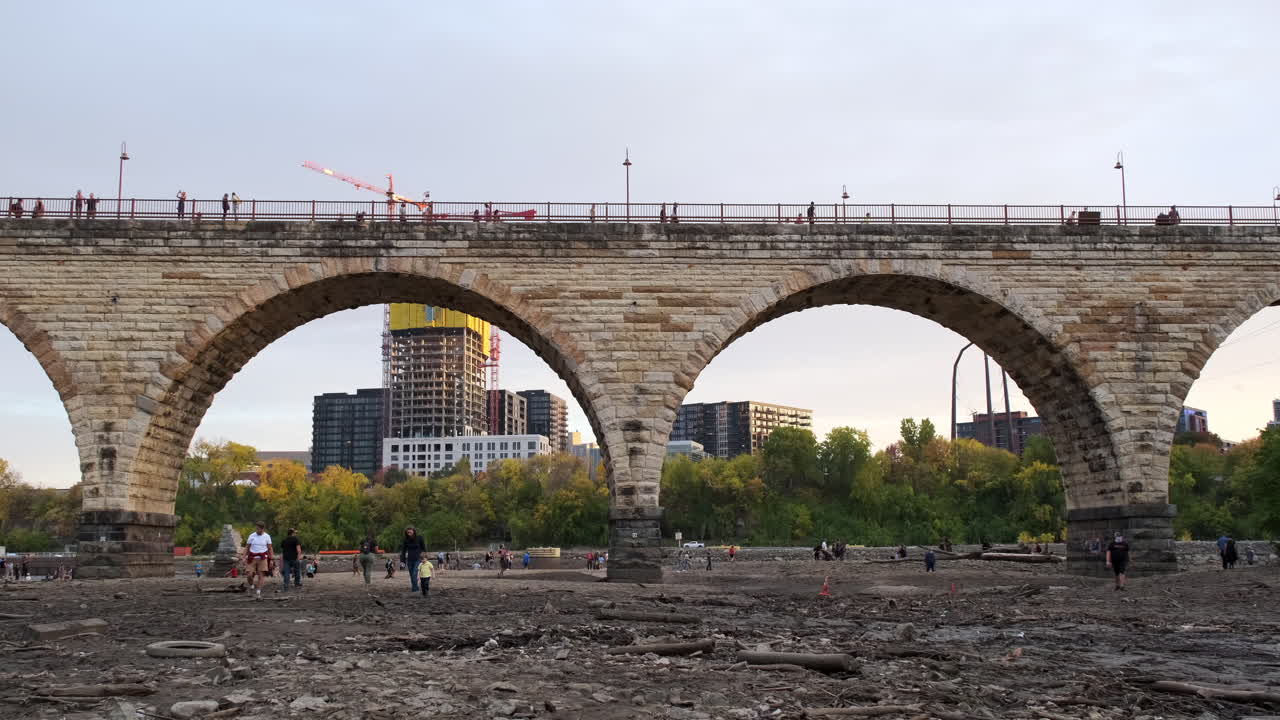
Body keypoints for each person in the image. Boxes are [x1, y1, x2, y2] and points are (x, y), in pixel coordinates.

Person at [243, 521, 273, 601]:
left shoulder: (267, 536)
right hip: (252, 557)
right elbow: (247, 547)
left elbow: (270, 548)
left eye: (258, 529)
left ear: (262, 529)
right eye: (256, 528)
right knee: (249, 574)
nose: (257, 530)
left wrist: (272, 559)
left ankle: (258, 592)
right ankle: (252, 585)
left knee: (261, 575)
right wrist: (243, 557)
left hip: (263, 558)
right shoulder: (252, 536)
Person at [399, 526, 427, 594]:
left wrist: (425, 558)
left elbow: (424, 549)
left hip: (418, 559)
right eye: (408, 532)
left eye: (410, 532)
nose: (409, 533)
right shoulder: (405, 540)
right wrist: (402, 562)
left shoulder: (419, 538)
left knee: (414, 574)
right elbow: (403, 551)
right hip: (409, 560)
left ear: (414, 531)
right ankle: (415, 588)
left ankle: (415, 590)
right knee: (412, 575)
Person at [280, 527, 303, 591]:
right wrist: (298, 557)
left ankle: (286, 585)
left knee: (286, 572)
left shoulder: (284, 540)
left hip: (286, 558)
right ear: (293, 533)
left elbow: (283, 549)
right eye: (295, 533)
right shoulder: (296, 539)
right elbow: (299, 550)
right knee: (297, 571)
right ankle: (297, 583)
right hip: (294, 558)